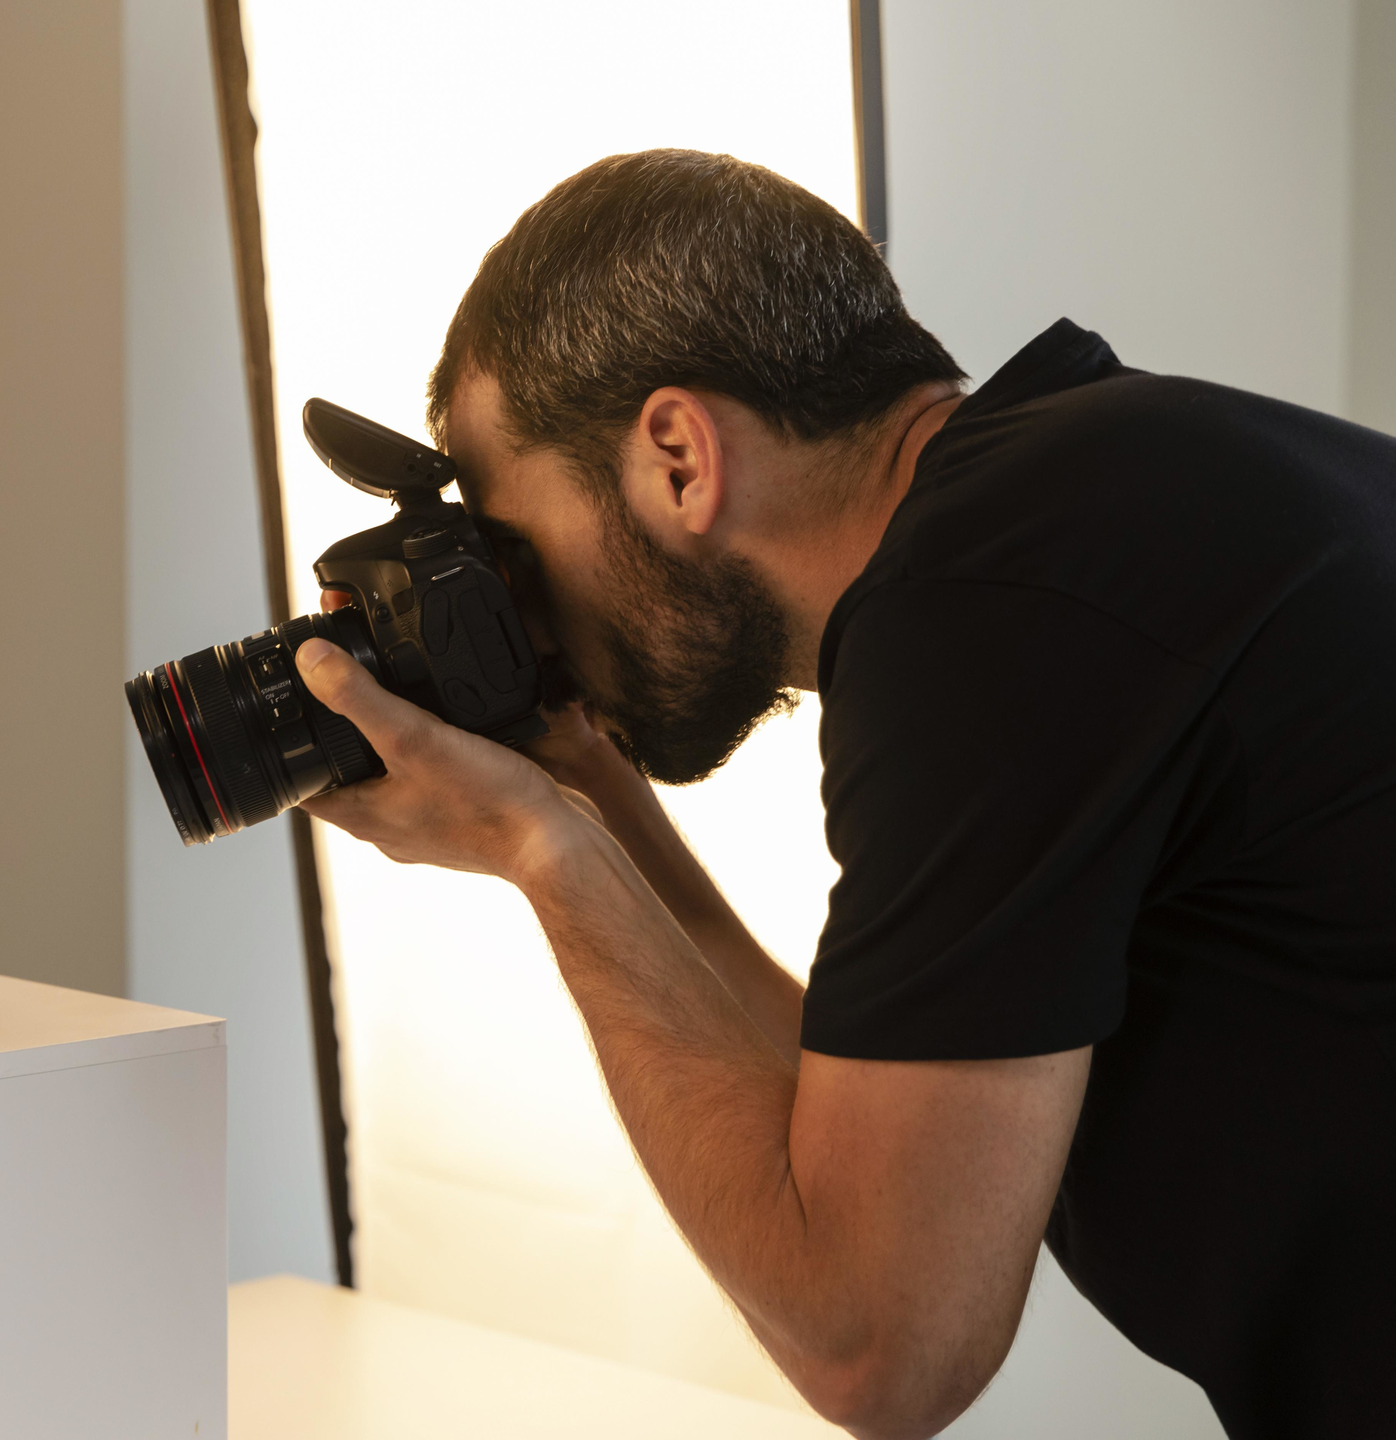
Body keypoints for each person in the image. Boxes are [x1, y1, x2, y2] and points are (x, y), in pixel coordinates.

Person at [296, 149, 1392, 1439]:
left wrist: (543, 855)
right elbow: (867, 1151)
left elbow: (882, 1345)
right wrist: (584, 797)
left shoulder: (979, 613)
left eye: (511, 547)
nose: (522, 618)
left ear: (676, 457)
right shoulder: (1086, 491)